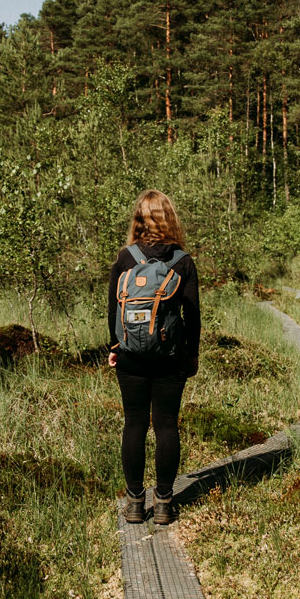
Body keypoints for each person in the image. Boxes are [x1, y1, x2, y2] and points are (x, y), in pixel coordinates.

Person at [108, 189, 200, 525]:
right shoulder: (182, 261)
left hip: (131, 356)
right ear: (170, 218)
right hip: (170, 357)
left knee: (133, 424)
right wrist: (191, 356)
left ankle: (134, 504)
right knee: (165, 425)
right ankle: (163, 503)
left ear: (138, 220)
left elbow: (113, 310)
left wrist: (115, 347)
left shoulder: (125, 258)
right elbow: (193, 316)